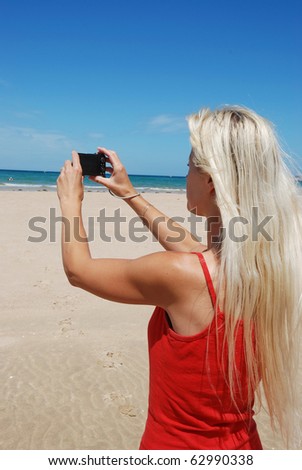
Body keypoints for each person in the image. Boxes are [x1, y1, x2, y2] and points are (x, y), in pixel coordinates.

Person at [56, 106, 302, 450]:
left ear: (212, 183)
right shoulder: (270, 266)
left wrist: (70, 201)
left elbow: (78, 271)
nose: (184, 176)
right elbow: (193, 249)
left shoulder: (182, 276)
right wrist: (128, 193)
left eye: (188, 168)